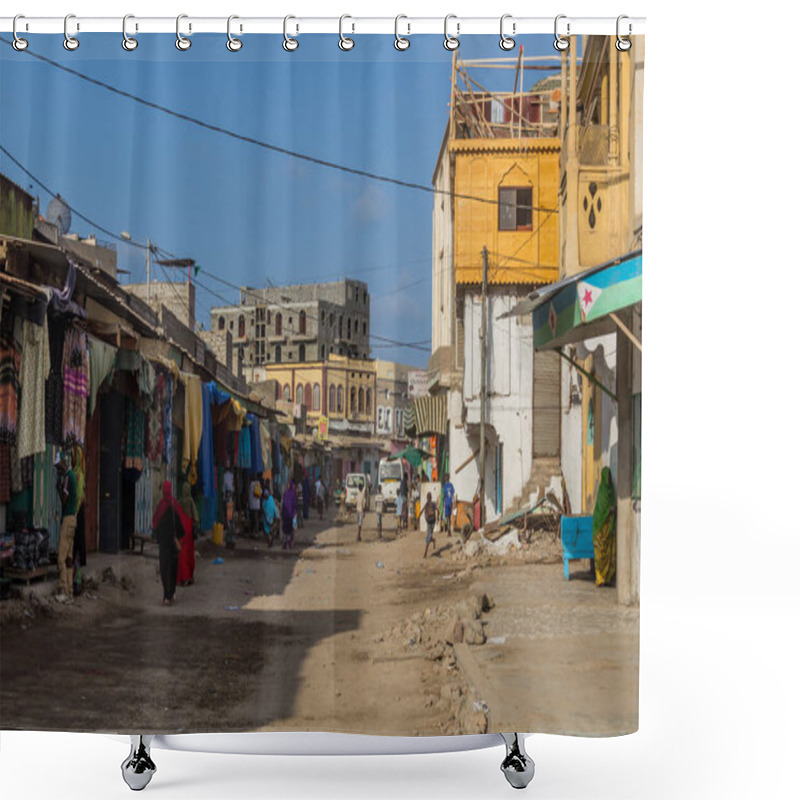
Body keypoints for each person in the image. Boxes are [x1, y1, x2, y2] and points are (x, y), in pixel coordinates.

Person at [152, 480, 186, 606]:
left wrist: (158, 537)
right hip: (172, 544)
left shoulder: (161, 506)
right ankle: (171, 594)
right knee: (172, 570)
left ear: (163, 491)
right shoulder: (175, 505)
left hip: (164, 545)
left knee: (164, 570)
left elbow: (155, 523)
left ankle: (166, 595)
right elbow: (179, 526)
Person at [55, 452, 78, 603]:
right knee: (69, 558)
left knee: (61, 557)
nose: (58, 471)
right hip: (73, 520)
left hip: (67, 519)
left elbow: (64, 500)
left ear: (64, 463)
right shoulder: (73, 477)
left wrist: (59, 489)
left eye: (58, 467)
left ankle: (63, 589)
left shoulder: (68, 478)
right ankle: (70, 591)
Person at [592, 467, 617, 587]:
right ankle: (599, 577)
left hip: (609, 528)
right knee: (600, 554)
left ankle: (606, 577)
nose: (608, 480)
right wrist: (609, 510)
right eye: (607, 477)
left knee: (608, 552)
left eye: (609, 478)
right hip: (600, 529)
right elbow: (601, 511)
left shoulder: (611, 492)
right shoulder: (602, 493)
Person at [177, 482, 197, 587]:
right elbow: (195, 516)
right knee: (189, 554)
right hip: (188, 530)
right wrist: (196, 523)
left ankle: (181, 578)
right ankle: (188, 577)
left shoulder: (180, 501)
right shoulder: (190, 501)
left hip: (181, 530)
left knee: (181, 554)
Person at [421, 491, 439, 559]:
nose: (428, 499)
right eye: (428, 498)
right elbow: (422, 511)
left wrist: (437, 518)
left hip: (432, 521)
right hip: (429, 522)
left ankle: (426, 552)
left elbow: (437, 510)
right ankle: (426, 552)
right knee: (429, 535)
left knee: (429, 535)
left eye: (429, 498)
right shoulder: (427, 504)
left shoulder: (432, 504)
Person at [281, 479, 298, 550]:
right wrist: (295, 514)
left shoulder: (286, 494)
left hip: (285, 516)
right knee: (292, 530)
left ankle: (285, 544)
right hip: (291, 516)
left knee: (285, 531)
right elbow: (294, 505)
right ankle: (290, 544)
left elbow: (283, 505)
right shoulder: (293, 494)